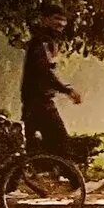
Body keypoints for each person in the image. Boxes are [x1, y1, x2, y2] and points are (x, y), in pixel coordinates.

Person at [21, 11, 82, 165]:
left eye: (62, 24)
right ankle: (74, 181)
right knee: (61, 142)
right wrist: (67, 90)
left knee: (37, 147)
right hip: (39, 102)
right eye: (56, 21)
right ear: (45, 19)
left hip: (35, 102)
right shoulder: (41, 43)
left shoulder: (46, 43)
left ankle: (15, 182)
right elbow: (44, 72)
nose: (59, 26)